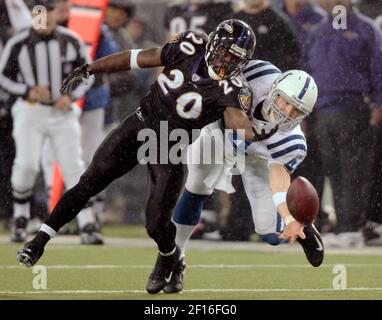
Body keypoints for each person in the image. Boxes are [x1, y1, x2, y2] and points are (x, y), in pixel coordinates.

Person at [16, 19, 272, 295]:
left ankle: (170, 257)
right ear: (213, 44)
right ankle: (40, 240)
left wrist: (258, 132)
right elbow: (137, 58)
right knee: (89, 181)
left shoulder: (233, 89)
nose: (228, 61)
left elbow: (238, 122)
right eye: (226, 52)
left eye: (236, 58)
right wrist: (91, 68)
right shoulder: (189, 46)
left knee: (155, 223)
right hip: (140, 123)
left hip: (171, 145)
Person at [165, 67, 322, 293]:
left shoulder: (293, 142)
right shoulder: (257, 74)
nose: (286, 112)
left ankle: (304, 227)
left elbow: (278, 178)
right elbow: (218, 75)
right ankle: (174, 259)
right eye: (284, 101)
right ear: (273, 89)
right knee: (197, 183)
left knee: (271, 233)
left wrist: (289, 217)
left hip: (259, 157)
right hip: (224, 135)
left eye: (296, 110)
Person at [0, 0, 98, 243]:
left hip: (62, 113)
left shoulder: (70, 40)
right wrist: (26, 90)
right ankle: (21, 216)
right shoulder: (18, 42)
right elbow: (3, 77)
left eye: (48, 11)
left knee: (73, 165)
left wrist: (70, 95)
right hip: (30, 111)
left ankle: (86, 222)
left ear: (57, 13)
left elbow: (88, 73)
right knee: (27, 165)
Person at [305, 0, 382, 246]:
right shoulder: (317, 31)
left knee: (355, 172)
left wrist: (379, 104)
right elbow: (306, 71)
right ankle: (343, 227)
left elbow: (379, 68)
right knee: (334, 171)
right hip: (322, 111)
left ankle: (352, 228)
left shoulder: (366, 28)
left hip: (355, 108)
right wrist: (305, 112)